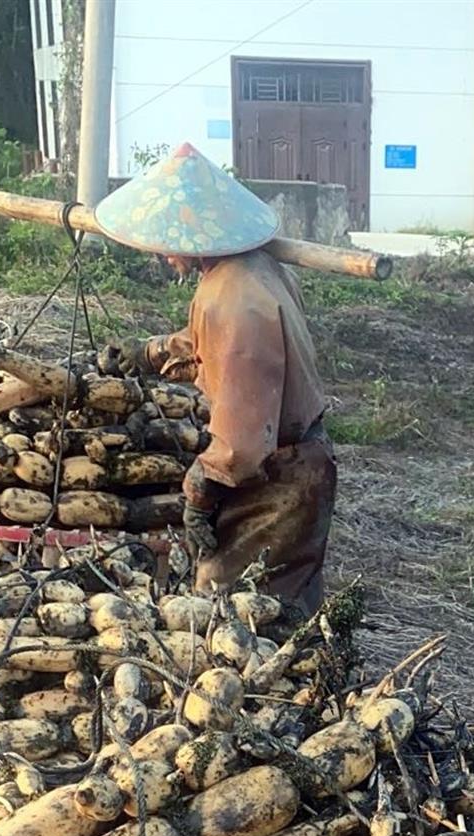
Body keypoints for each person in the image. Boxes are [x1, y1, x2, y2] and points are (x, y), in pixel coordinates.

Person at [95, 143, 335, 617]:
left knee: (236, 610)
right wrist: (151, 353)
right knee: (283, 601)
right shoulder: (246, 269)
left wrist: (201, 489)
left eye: (167, 240)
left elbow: (241, 435)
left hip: (277, 479)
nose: (163, 253)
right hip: (295, 461)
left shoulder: (235, 297)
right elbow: (209, 347)